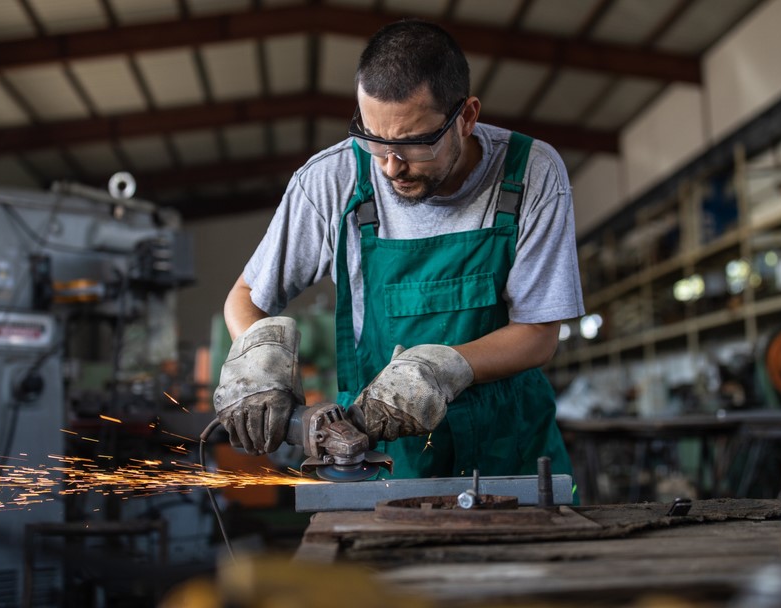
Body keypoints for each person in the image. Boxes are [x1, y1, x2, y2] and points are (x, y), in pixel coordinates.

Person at [213, 18, 584, 481]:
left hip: (509, 447)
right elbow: (246, 296)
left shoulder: (532, 173)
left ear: (466, 117)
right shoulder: (332, 182)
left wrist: (441, 368)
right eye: (373, 139)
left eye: (414, 144)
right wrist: (258, 359)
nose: (391, 167)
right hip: (383, 455)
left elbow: (538, 332)